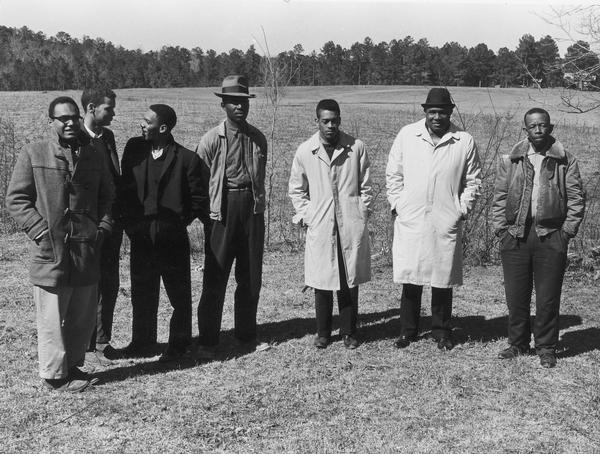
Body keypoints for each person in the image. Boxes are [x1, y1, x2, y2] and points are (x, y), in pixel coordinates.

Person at [6, 96, 114, 392]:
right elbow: (16, 199)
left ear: (81, 119)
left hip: (85, 249)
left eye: (73, 117)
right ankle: (55, 376)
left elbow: (108, 196)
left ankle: (73, 365)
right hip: (50, 250)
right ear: (50, 121)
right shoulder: (34, 153)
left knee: (81, 313)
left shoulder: (95, 154)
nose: (69, 123)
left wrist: (102, 228)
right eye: (62, 118)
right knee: (52, 317)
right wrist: (39, 231)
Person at [386, 87, 481, 351]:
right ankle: (408, 330)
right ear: (424, 112)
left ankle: (441, 331)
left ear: (451, 112)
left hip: (445, 217)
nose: (437, 117)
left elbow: (473, 180)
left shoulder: (463, 141)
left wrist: (461, 209)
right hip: (412, 217)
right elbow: (393, 173)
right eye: (432, 112)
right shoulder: (408, 135)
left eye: (442, 112)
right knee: (411, 277)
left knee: (442, 277)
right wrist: (398, 204)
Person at [492, 108, 584, 368]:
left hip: (551, 236)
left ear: (550, 127)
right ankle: (518, 344)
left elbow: (577, 199)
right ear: (526, 130)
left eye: (543, 125)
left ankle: (546, 347)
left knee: (547, 296)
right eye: (533, 126)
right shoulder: (511, 159)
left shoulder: (566, 160)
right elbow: (499, 196)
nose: (539, 130)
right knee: (516, 295)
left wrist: (566, 233)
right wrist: (501, 229)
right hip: (515, 235)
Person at [120, 104, 205, 362]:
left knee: (179, 294)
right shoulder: (134, 150)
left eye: (147, 121)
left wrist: (177, 222)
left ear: (164, 128)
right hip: (141, 235)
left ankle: (179, 346)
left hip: (172, 237)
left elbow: (199, 200)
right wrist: (131, 225)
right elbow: (124, 189)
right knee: (142, 291)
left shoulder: (187, 159)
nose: (142, 124)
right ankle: (142, 342)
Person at [288, 99, 372, 349]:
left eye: (335, 120)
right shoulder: (306, 151)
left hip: (349, 222)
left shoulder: (355, 147)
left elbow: (366, 185)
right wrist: (307, 215)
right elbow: (296, 189)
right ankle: (323, 332)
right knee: (321, 280)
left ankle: (349, 332)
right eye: (325, 121)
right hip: (322, 224)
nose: (330, 125)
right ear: (317, 121)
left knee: (348, 279)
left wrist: (361, 210)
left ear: (340, 120)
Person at [196, 75, 268, 358]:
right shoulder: (212, 139)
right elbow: (199, 181)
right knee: (216, 276)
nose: (240, 107)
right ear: (223, 105)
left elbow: (260, 177)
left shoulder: (257, 138)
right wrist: (208, 216)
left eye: (244, 102)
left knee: (250, 276)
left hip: (251, 208)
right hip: (222, 210)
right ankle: (208, 341)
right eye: (233, 102)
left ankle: (246, 337)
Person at [81, 87, 121, 365]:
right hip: (87, 225)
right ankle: (86, 345)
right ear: (92, 107)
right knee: (88, 285)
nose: (114, 113)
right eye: (109, 108)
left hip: (111, 223)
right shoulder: (77, 140)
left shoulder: (108, 138)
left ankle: (102, 342)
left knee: (109, 281)